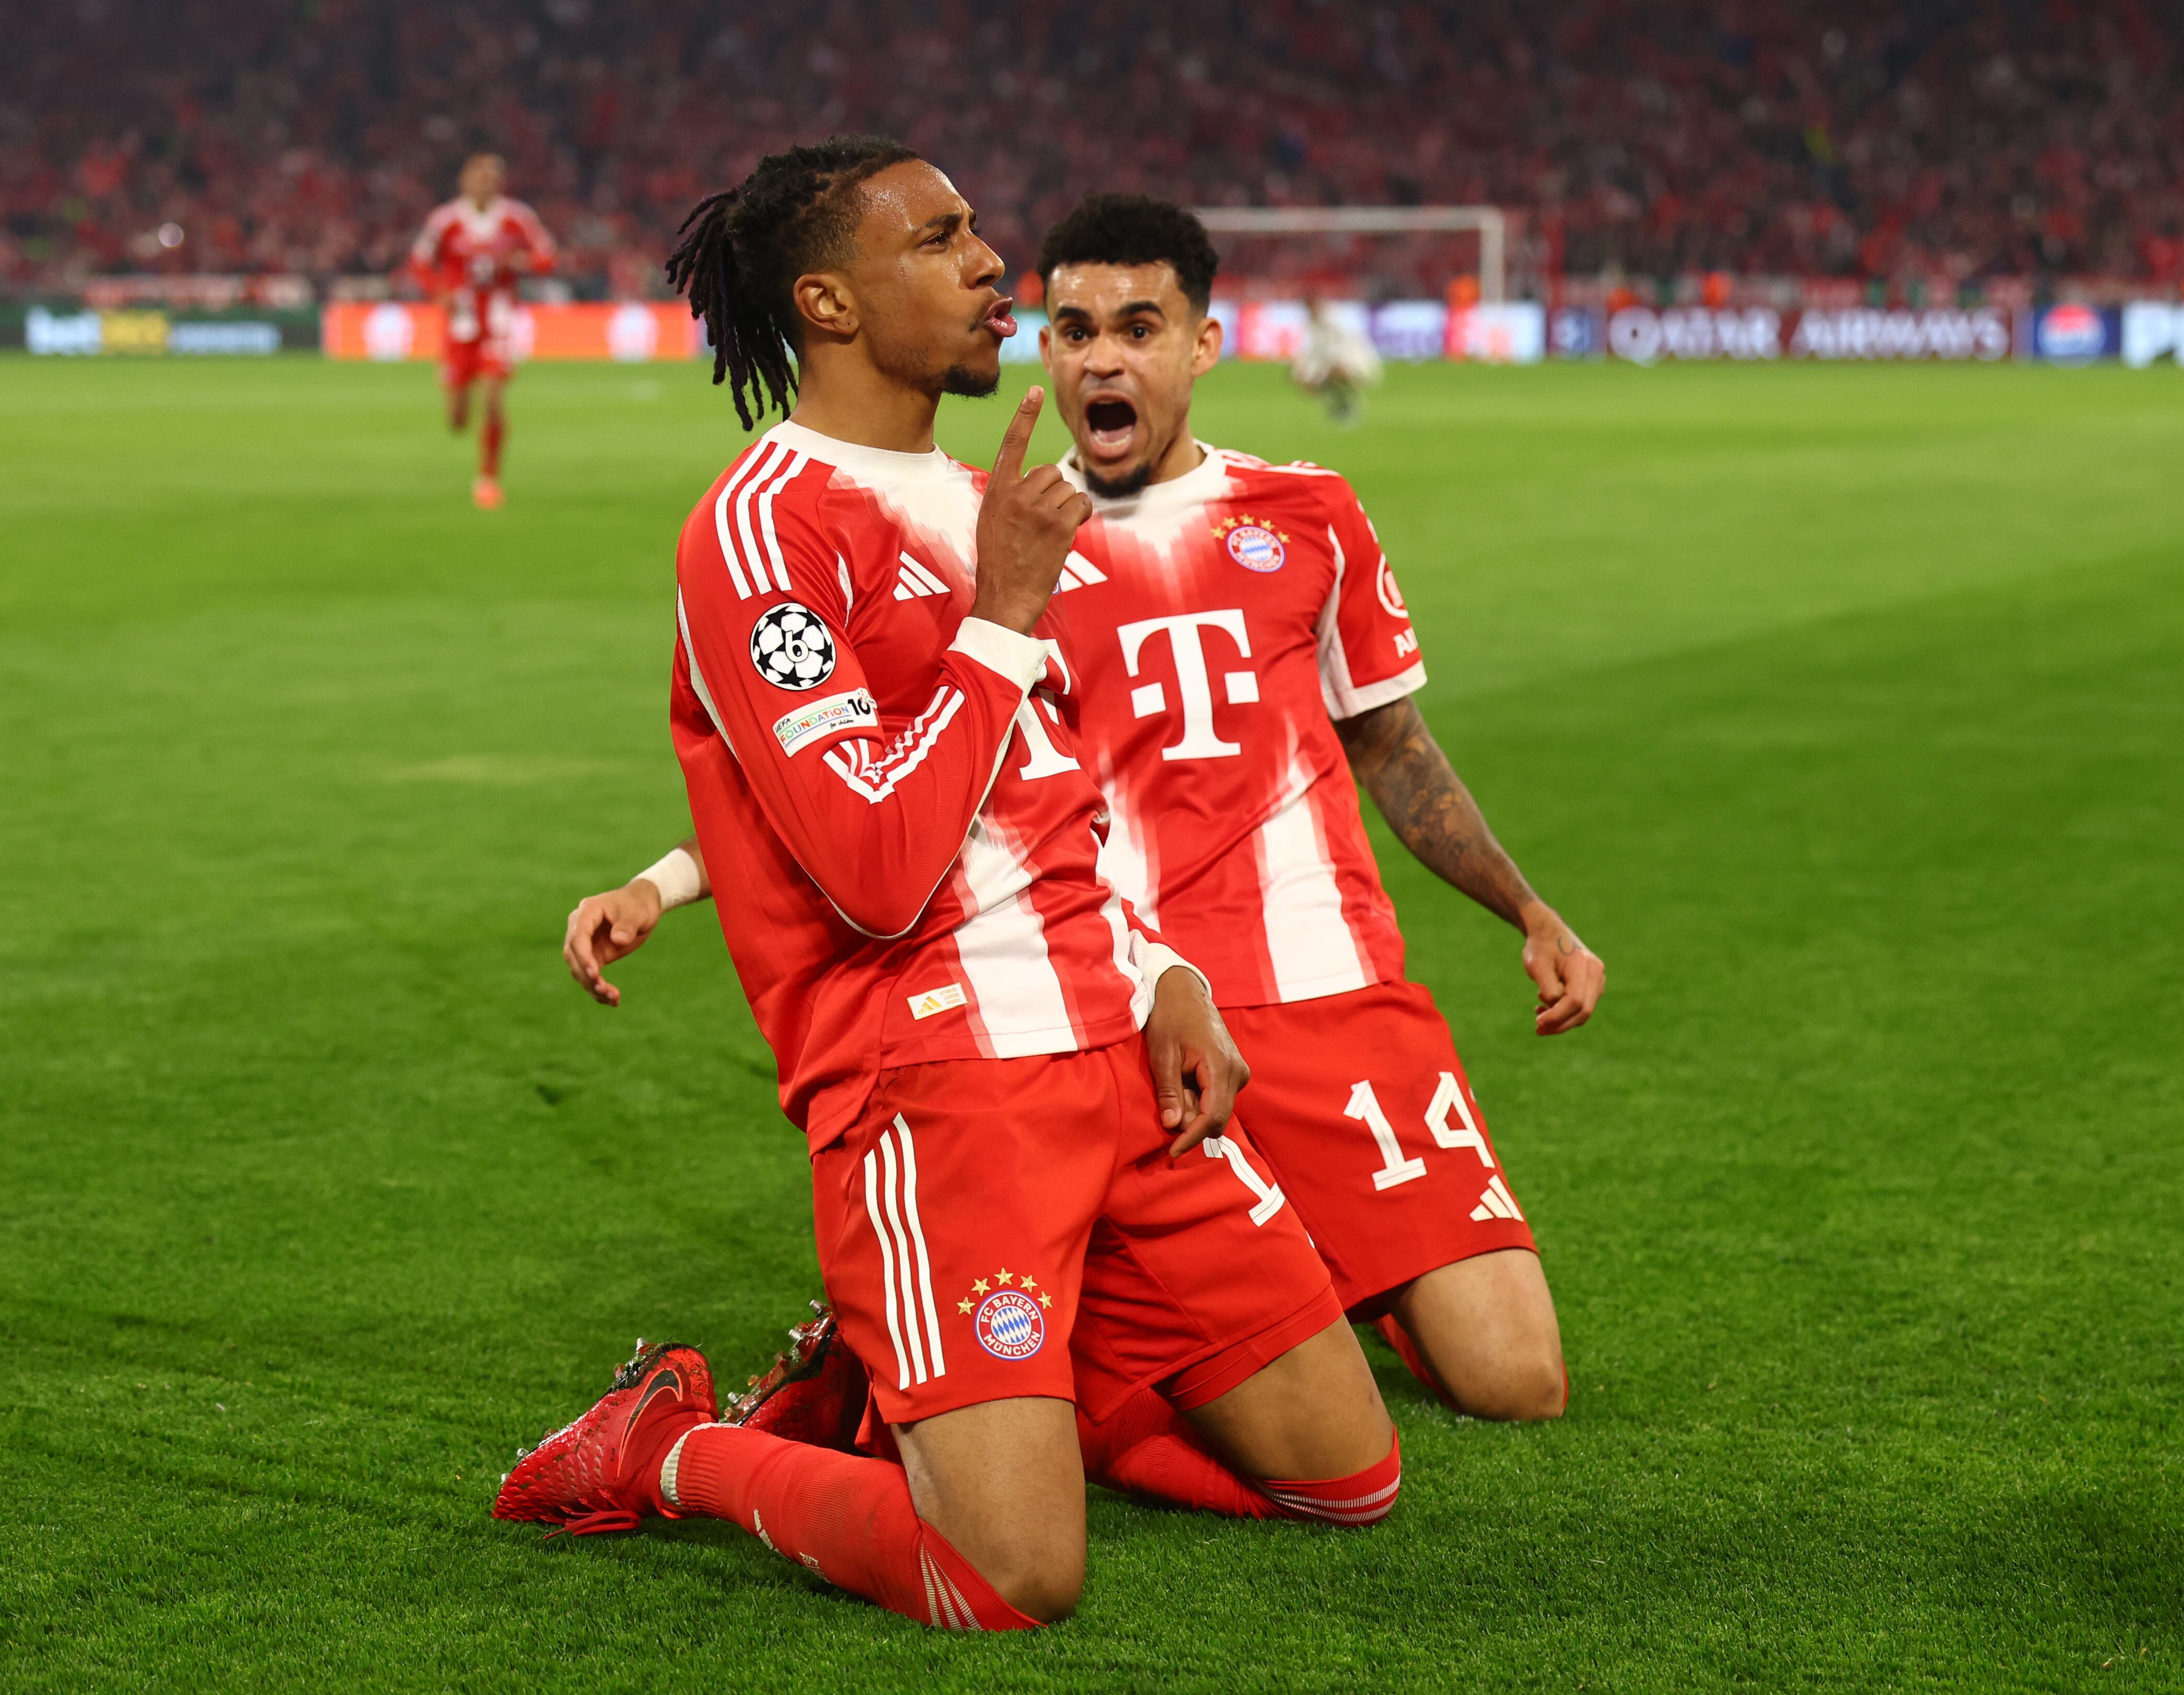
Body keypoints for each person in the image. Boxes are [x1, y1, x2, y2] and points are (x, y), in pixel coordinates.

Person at [494, 137, 1402, 1631]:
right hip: (939, 1080)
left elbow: (1060, 801)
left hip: (1119, 1053)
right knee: (1005, 1577)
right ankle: (676, 1451)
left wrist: (1168, 976)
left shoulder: (995, 503)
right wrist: (999, 618)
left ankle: (946, 1381)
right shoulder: (766, 525)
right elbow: (867, 867)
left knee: (1343, 1479)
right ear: (830, 303)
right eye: (941, 240)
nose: (993, 265)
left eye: (979, 233)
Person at [569, 194, 1605, 1445]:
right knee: (1064, 1415)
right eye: (1071, 328)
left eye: (1136, 326)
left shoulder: (1304, 511)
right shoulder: (998, 534)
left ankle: (1246, 1294)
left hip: (1309, 994)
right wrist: (667, 880)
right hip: (1115, 1011)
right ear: (1045, 352)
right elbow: (891, 779)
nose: (1102, 356)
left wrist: (1528, 904)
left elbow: (1389, 742)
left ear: (1199, 345)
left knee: (1507, 1381)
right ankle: (904, 1358)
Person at [406, 152, 554, 509]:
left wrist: (520, 262)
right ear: (464, 181)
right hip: (461, 325)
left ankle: (488, 479)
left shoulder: (517, 218)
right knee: (457, 419)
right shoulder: (445, 221)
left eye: (492, 178)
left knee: (492, 400)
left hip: (499, 322)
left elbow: (546, 257)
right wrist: (440, 293)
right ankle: (463, 412)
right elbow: (420, 263)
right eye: (479, 177)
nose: (485, 183)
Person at [1289, 292, 1382, 424]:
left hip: (1354, 361)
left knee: (1337, 373)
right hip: (1330, 364)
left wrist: (1335, 365)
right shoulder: (1312, 325)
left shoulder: (1337, 321)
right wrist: (1301, 371)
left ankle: (1350, 402)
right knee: (1308, 381)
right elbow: (1312, 351)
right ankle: (1337, 402)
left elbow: (1348, 347)